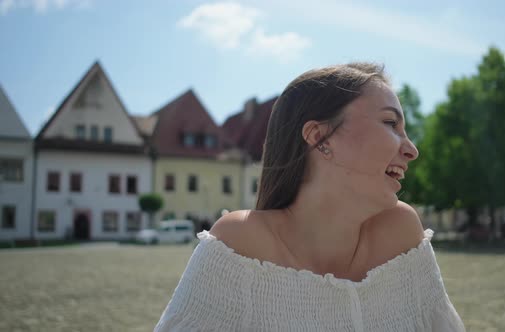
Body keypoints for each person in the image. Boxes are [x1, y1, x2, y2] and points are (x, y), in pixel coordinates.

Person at [155, 63, 465, 331]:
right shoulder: (239, 246)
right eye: (390, 123)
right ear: (319, 138)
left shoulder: (402, 234)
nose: (412, 149)